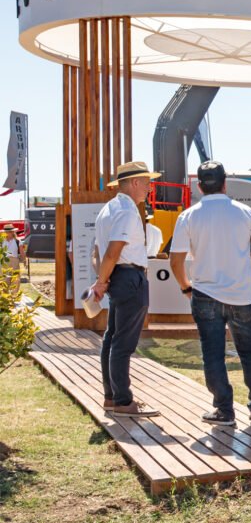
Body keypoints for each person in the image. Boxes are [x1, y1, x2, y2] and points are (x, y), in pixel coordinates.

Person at [170, 161, 251, 426]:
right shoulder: (246, 213)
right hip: (241, 294)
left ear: (199, 187)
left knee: (213, 353)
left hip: (205, 294)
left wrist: (186, 286)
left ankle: (224, 410)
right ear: (224, 184)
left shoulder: (188, 216)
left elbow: (175, 261)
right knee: (249, 351)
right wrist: (250, 284)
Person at [90, 161, 162, 418]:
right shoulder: (128, 212)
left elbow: (98, 253)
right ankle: (123, 401)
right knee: (122, 342)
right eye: (146, 182)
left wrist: (104, 279)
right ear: (134, 183)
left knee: (112, 338)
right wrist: (102, 281)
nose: (149, 188)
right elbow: (113, 251)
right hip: (130, 277)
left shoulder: (107, 210)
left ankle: (113, 397)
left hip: (119, 277)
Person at [1, 224, 21, 295]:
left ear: (13, 232)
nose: (8, 233)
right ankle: (4, 296)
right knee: (4, 279)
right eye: (6, 232)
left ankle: (14, 296)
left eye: (9, 231)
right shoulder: (2, 241)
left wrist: (24, 260)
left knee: (15, 279)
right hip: (4, 261)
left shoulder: (17, 241)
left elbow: (21, 252)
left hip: (14, 261)